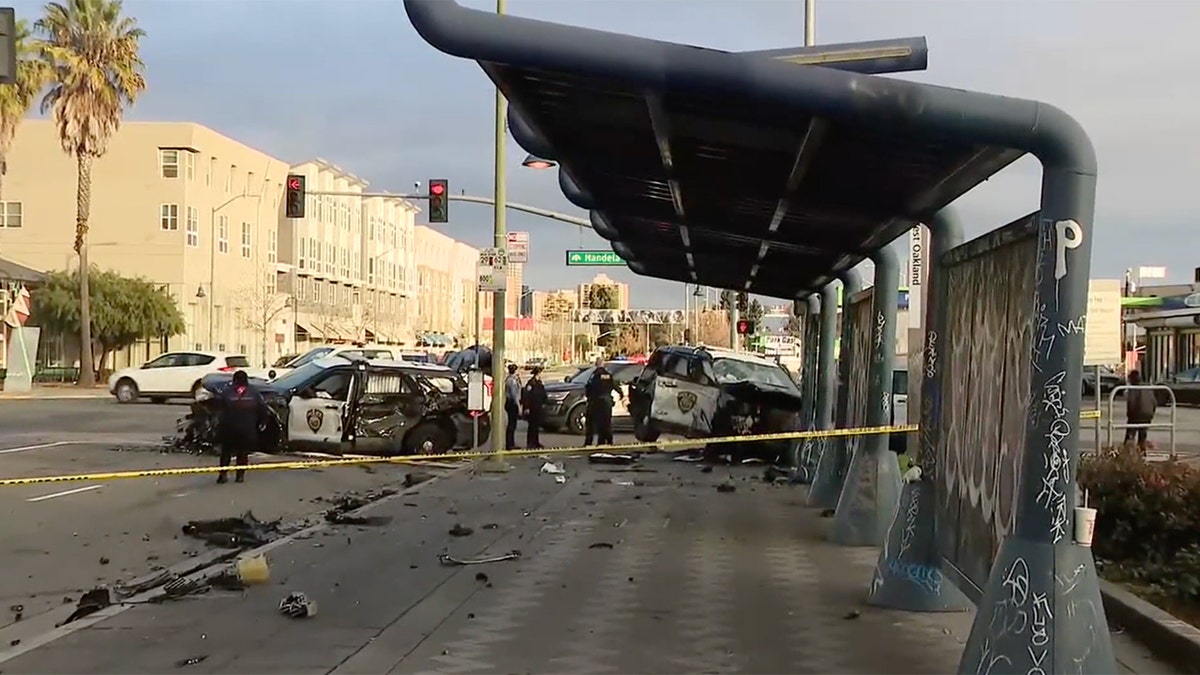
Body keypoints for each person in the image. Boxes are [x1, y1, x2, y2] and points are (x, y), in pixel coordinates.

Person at [216, 370, 268, 484]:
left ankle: (223, 475)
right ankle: (240, 476)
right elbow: (262, 408)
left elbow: (219, 408)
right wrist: (262, 422)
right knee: (243, 452)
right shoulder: (253, 392)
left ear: (234, 380)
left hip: (229, 427)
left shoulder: (227, 391)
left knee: (226, 452)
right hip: (247, 428)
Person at [583, 357, 622, 446]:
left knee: (590, 423)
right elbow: (615, 386)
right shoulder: (608, 375)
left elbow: (589, 388)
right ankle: (606, 441)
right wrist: (621, 394)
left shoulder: (594, 375)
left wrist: (589, 397)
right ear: (603, 364)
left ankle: (588, 443)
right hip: (606, 402)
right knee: (605, 423)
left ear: (596, 364)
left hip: (595, 402)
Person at [1125, 369, 1157, 453]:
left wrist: (1129, 415)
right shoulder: (1147, 387)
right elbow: (1154, 402)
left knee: (1130, 433)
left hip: (1137, 414)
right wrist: (1151, 414)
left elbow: (1131, 403)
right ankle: (1142, 452)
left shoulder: (1134, 388)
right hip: (1148, 414)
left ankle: (1126, 452)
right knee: (1143, 434)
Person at [522, 365, 548, 449]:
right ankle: (530, 443)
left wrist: (544, 402)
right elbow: (526, 395)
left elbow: (543, 394)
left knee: (536, 426)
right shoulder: (531, 383)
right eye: (540, 373)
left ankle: (536, 442)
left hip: (538, 407)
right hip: (532, 407)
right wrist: (526, 407)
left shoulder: (539, 383)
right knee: (532, 426)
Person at [504, 363, 522, 449]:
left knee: (512, 424)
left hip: (509, 402)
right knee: (512, 424)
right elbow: (514, 394)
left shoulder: (509, 379)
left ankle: (510, 443)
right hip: (512, 403)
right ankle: (510, 444)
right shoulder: (512, 381)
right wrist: (519, 406)